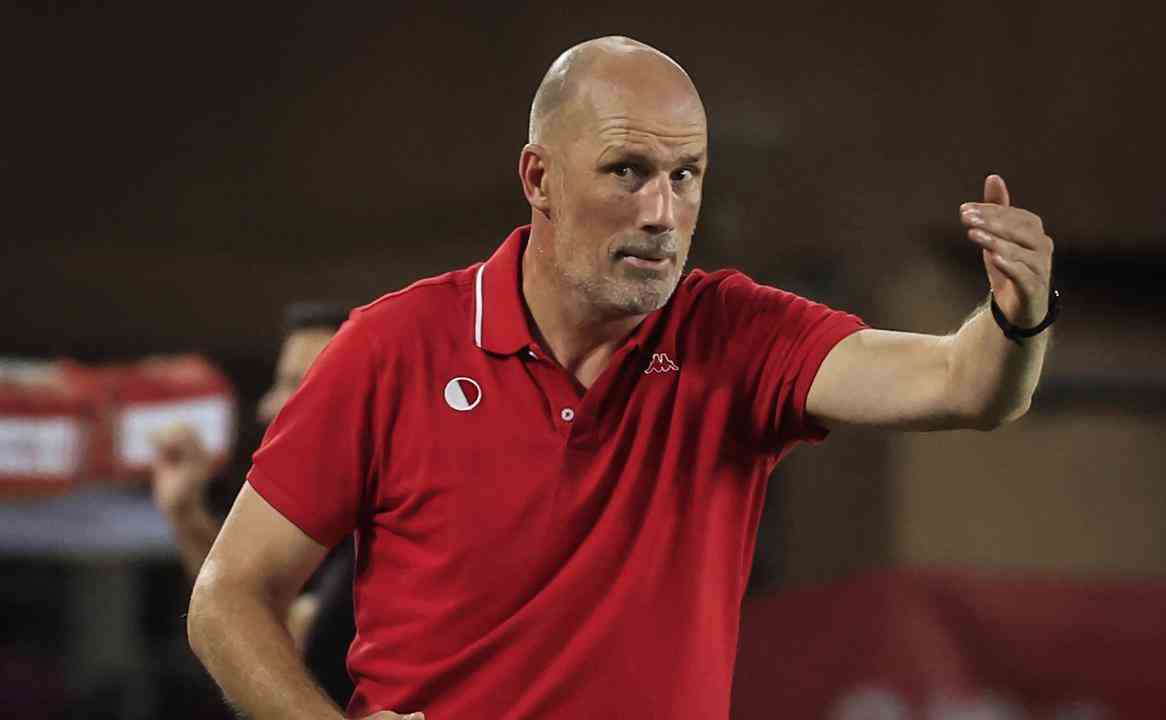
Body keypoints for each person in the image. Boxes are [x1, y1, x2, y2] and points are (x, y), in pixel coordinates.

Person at [187, 36, 1056, 720]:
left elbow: (963, 384)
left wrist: (1019, 315)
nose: (663, 212)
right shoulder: (392, 347)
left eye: (687, 176)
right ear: (540, 178)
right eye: (627, 172)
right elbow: (229, 594)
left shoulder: (739, 335)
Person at [151, 301, 356, 707]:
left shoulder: (379, 526)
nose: (267, 406)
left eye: (297, 385)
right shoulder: (320, 525)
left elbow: (273, 639)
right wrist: (186, 512)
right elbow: (245, 601)